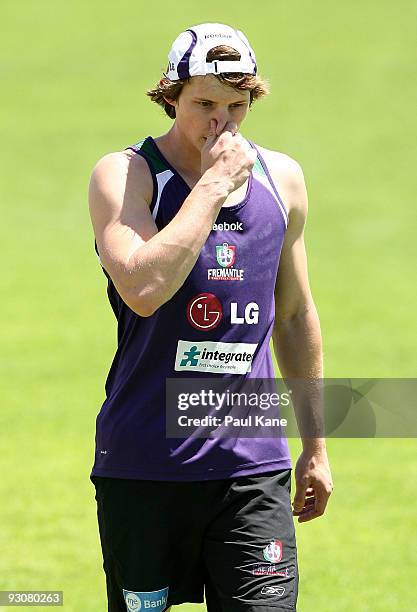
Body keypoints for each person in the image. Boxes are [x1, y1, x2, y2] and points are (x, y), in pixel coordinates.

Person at [88, 22, 333, 612]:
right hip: (146, 464)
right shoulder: (126, 176)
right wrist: (214, 184)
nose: (220, 122)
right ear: (171, 95)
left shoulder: (282, 181)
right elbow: (145, 287)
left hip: (252, 468)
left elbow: (295, 315)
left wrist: (316, 445)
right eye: (203, 104)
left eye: (236, 105)